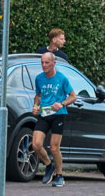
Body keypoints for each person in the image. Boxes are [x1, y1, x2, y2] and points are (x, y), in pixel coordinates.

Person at [31, 51, 76, 188]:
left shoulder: (62, 79)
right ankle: (49, 166)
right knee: (36, 145)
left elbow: (73, 96)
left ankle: (60, 175)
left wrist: (62, 104)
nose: (44, 65)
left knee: (54, 147)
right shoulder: (39, 78)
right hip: (44, 114)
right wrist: (35, 106)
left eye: (47, 63)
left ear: (54, 63)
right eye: (42, 63)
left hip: (58, 114)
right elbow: (38, 95)